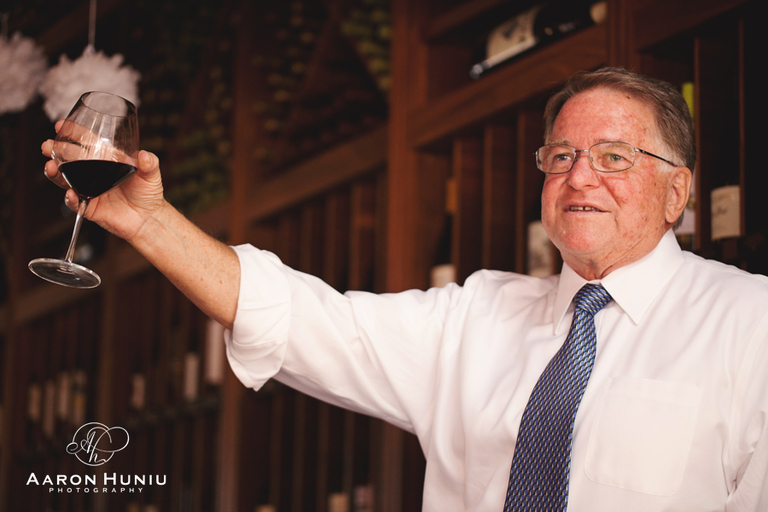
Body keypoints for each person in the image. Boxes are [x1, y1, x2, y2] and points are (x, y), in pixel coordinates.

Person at [42, 67, 768, 511]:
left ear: (677, 192)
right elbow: (299, 318)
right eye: (561, 156)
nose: (579, 177)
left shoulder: (751, 321)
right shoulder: (477, 315)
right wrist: (150, 222)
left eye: (613, 157)